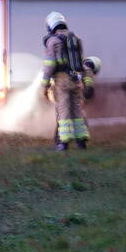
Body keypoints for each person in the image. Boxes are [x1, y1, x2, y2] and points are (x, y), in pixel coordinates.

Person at [41, 11, 89, 151]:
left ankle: (63, 142)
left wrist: (45, 85)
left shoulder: (53, 41)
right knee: (77, 110)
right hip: (76, 78)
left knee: (63, 110)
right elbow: (81, 61)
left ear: (51, 26)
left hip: (61, 79)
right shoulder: (75, 38)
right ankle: (81, 141)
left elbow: (49, 65)